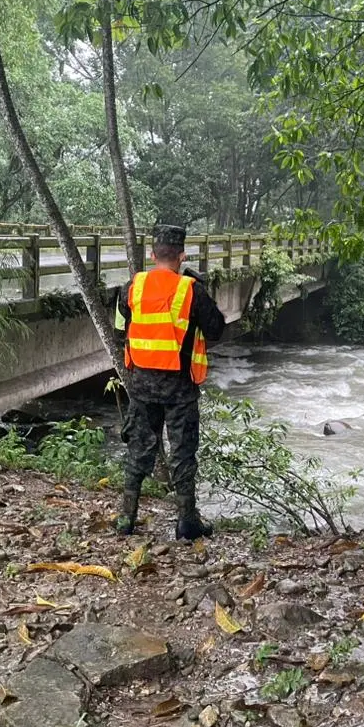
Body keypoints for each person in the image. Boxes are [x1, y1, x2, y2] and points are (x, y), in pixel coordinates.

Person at [114, 223, 226, 540]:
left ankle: (126, 520)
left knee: (138, 450)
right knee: (183, 454)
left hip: (141, 386)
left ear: (152, 254)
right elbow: (217, 330)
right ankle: (186, 523)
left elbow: (120, 327)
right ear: (181, 255)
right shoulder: (191, 290)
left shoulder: (131, 287)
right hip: (179, 389)